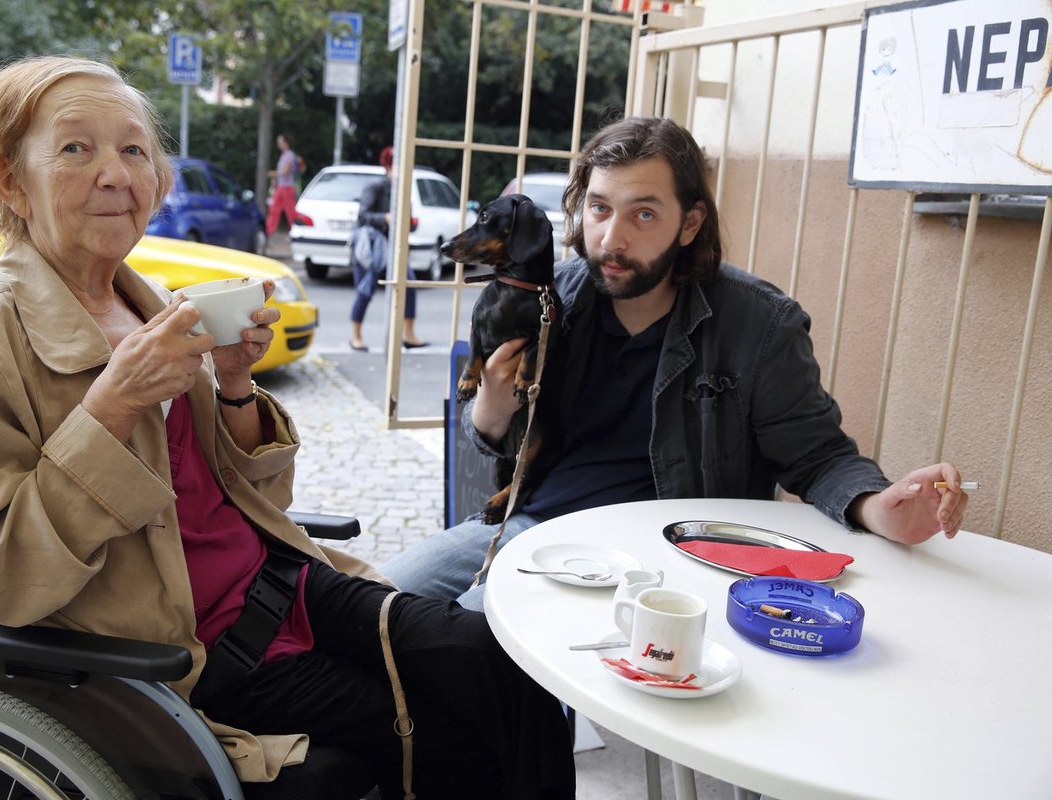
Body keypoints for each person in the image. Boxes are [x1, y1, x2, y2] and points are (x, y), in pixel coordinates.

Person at [0, 55, 574, 799]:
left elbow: (253, 504)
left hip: (282, 585)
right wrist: (109, 409)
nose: (116, 174)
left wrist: (235, 385)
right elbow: (1, 579)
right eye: (76, 148)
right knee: (460, 737)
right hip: (175, 659)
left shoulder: (149, 305)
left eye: (134, 149)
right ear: (10, 179)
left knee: (509, 667)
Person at [381, 116, 971, 609]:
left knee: (461, 634)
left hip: (664, 555)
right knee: (375, 597)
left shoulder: (758, 323)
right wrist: (491, 409)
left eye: (643, 214)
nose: (612, 239)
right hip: (536, 526)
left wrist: (876, 508)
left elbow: (818, 458)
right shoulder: (551, 300)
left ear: (689, 223)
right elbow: (485, 439)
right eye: (599, 209)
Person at [349, 146, 428, 352]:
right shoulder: (375, 187)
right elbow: (362, 216)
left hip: (395, 249)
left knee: (408, 283)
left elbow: (409, 224)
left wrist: (407, 222)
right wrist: (385, 218)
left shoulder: (404, 191)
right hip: (373, 250)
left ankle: (409, 334)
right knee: (365, 290)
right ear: (387, 166)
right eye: (395, 165)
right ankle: (355, 335)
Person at [265, 133, 301, 237]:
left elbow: (286, 171)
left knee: (291, 212)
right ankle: (268, 232)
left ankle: (296, 232)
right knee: (274, 209)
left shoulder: (290, 155)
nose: (278, 144)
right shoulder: (283, 155)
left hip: (288, 187)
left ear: (286, 143)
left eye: (280, 142)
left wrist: (274, 173)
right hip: (280, 186)